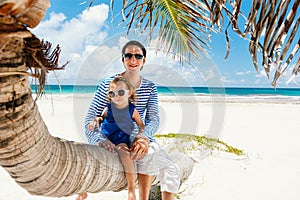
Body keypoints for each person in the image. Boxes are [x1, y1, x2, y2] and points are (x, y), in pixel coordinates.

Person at [77, 40, 180, 200]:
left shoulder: (150, 87)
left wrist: (144, 137)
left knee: (172, 170)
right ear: (123, 59)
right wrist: (99, 140)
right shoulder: (108, 84)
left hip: (138, 135)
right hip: (113, 137)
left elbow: (153, 118)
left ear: (144, 61)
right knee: (148, 155)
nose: (133, 60)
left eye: (138, 56)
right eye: (128, 55)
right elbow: (91, 118)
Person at [88, 77, 145, 200]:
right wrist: (95, 121)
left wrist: (139, 137)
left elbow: (141, 125)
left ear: (129, 93)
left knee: (126, 154)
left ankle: (131, 189)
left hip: (121, 140)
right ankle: (83, 189)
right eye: (111, 93)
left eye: (120, 92)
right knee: (90, 155)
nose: (116, 96)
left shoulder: (132, 110)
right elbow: (101, 118)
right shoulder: (108, 108)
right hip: (105, 139)